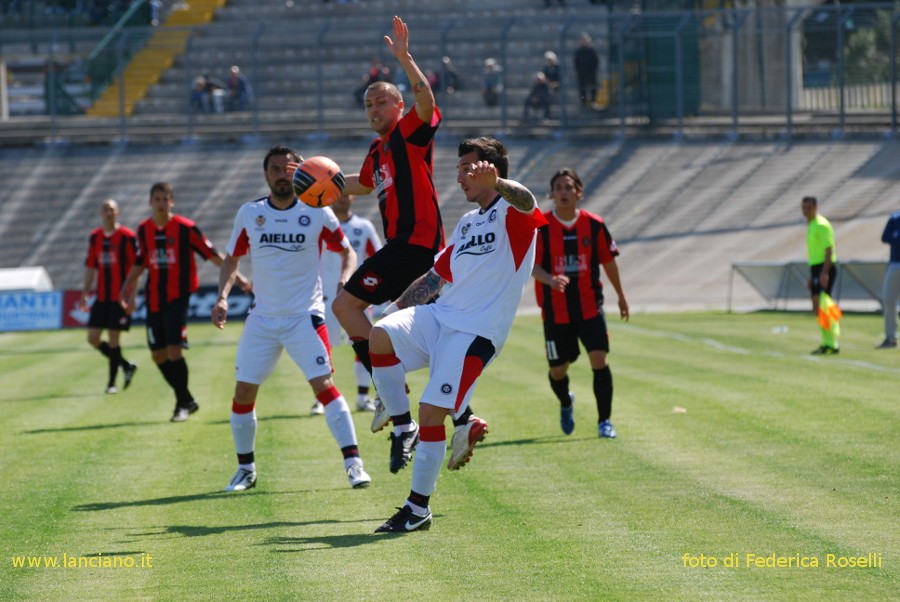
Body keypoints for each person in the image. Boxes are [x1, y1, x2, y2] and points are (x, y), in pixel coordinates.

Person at [371, 136, 547, 533]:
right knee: (378, 335)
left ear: (490, 170)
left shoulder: (512, 213)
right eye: (459, 168)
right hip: (440, 316)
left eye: (468, 168)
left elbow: (528, 202)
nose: (460, 176)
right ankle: (404, 427)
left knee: (432, 411)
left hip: (476, 332)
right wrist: (395, 307)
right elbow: (436, 276)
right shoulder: (468, 223)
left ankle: (417, 510)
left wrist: (499, 182)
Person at [212, 145, 371, 492]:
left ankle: (354, 464)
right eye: (275, 169)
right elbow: (231, 258)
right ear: (266, 174)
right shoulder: (250, 213)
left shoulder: (318, 212)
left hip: (304, 317)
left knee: (324, 387)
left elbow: (347, 251)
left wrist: (346, 278)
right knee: (242, 394)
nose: (282, 174)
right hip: (263, 319)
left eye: (288, 168)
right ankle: (245, 470)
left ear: (300, 170)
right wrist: (222, 297)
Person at [321, 16, 447, 437]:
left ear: (398, 106)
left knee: (345, 307)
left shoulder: (409, 133)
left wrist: (405, 59)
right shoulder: (377, 151)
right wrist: (313, 180)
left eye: (381, 102)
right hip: (404, 247)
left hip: (416, 244)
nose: (373, 110)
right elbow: (357, 184)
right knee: (420, 336)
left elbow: (426, 102)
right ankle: (450, 416)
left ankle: (389, 391)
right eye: (368, 105)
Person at [120, 182, 249, 422]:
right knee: (157, 355)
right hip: (154, 297)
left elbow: (211, 254)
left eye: (165, 199)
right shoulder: (144, 229)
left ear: (172, 202)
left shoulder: (185, 228)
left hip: (178, 296)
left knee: (174, 350)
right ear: (150, 202)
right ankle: (187, 399)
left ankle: (181, 405)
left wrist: (238, 278)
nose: (161, 204)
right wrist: (126, 286)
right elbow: (140, 261)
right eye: (157, 199)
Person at [532, 168, 629, 439]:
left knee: (598, 358)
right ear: (552, 194)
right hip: (555, 311)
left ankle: (604, 422)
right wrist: (551, 280)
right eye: (559, 187)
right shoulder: (542, 228)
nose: (564, 191)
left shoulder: (594, 225)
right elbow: (533, 266)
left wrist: (621, 295)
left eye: (569, 187)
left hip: (590, 307)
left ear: (579, 192)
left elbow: (608, 261)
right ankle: (566, 402)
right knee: (558, 370)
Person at [312, 192, 382, 415]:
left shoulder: (364, 226)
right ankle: (323, 399)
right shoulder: (320, 226)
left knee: (365, 345)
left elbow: (378, 258)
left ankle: (363, 396)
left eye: (347, 194)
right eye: (338, 194)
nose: (342, 198)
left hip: (357, 298)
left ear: (354, 197)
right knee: (322, 349)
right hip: (323, 297)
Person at [80, 198, 139, 394]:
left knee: (114, 339)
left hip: (120, 298)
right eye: (105, 209)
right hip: (102, 296)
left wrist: (132, 297)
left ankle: (111, 383)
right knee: (93, 337)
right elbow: (90, 266)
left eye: (112, 209)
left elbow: (136, 269)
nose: (108, 212)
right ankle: (125, 365)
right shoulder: (95, 237)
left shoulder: (127, 237)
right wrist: (85, 293)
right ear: (100, 213)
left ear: (118, 213)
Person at [801, 195, 840, 355]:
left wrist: (824, 273)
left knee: (824, 306)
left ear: (816, 207)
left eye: (809, 207)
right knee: (818, 308)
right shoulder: (811, 225)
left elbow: (828, 250)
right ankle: (827, 342)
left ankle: (832, 343)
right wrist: (813, 275)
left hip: (825, 268)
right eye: (804, 207)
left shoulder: (822, 224)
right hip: (816, 268)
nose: (806, 210)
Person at [878, 211, 900, 348]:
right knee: (889, 299)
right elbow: (885, 237)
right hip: (895, 263)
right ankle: (890, 338)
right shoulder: (894, 218)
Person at [573, 32, 599, 107]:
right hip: (582, 74)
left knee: (593, 87)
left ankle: (593, 102)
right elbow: (576, 63)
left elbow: (596, 62)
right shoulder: (578, 52)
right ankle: (583, 103)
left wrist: (592, 71)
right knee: (582, 89)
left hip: (591, 73)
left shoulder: (592, 51)